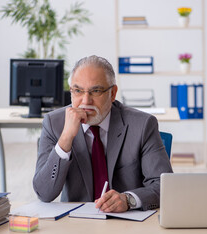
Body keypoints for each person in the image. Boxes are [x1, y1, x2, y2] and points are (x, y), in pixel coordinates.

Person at [33, 55, 173, 213]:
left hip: (127, 221)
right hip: (76, 224)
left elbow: (164, 185)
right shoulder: (54, 124)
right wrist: (65, 138)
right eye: (78, 91)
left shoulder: (142, 125)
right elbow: (43, 193)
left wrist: (129, 200)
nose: (86, 101)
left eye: (96, 91)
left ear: (113, 93)